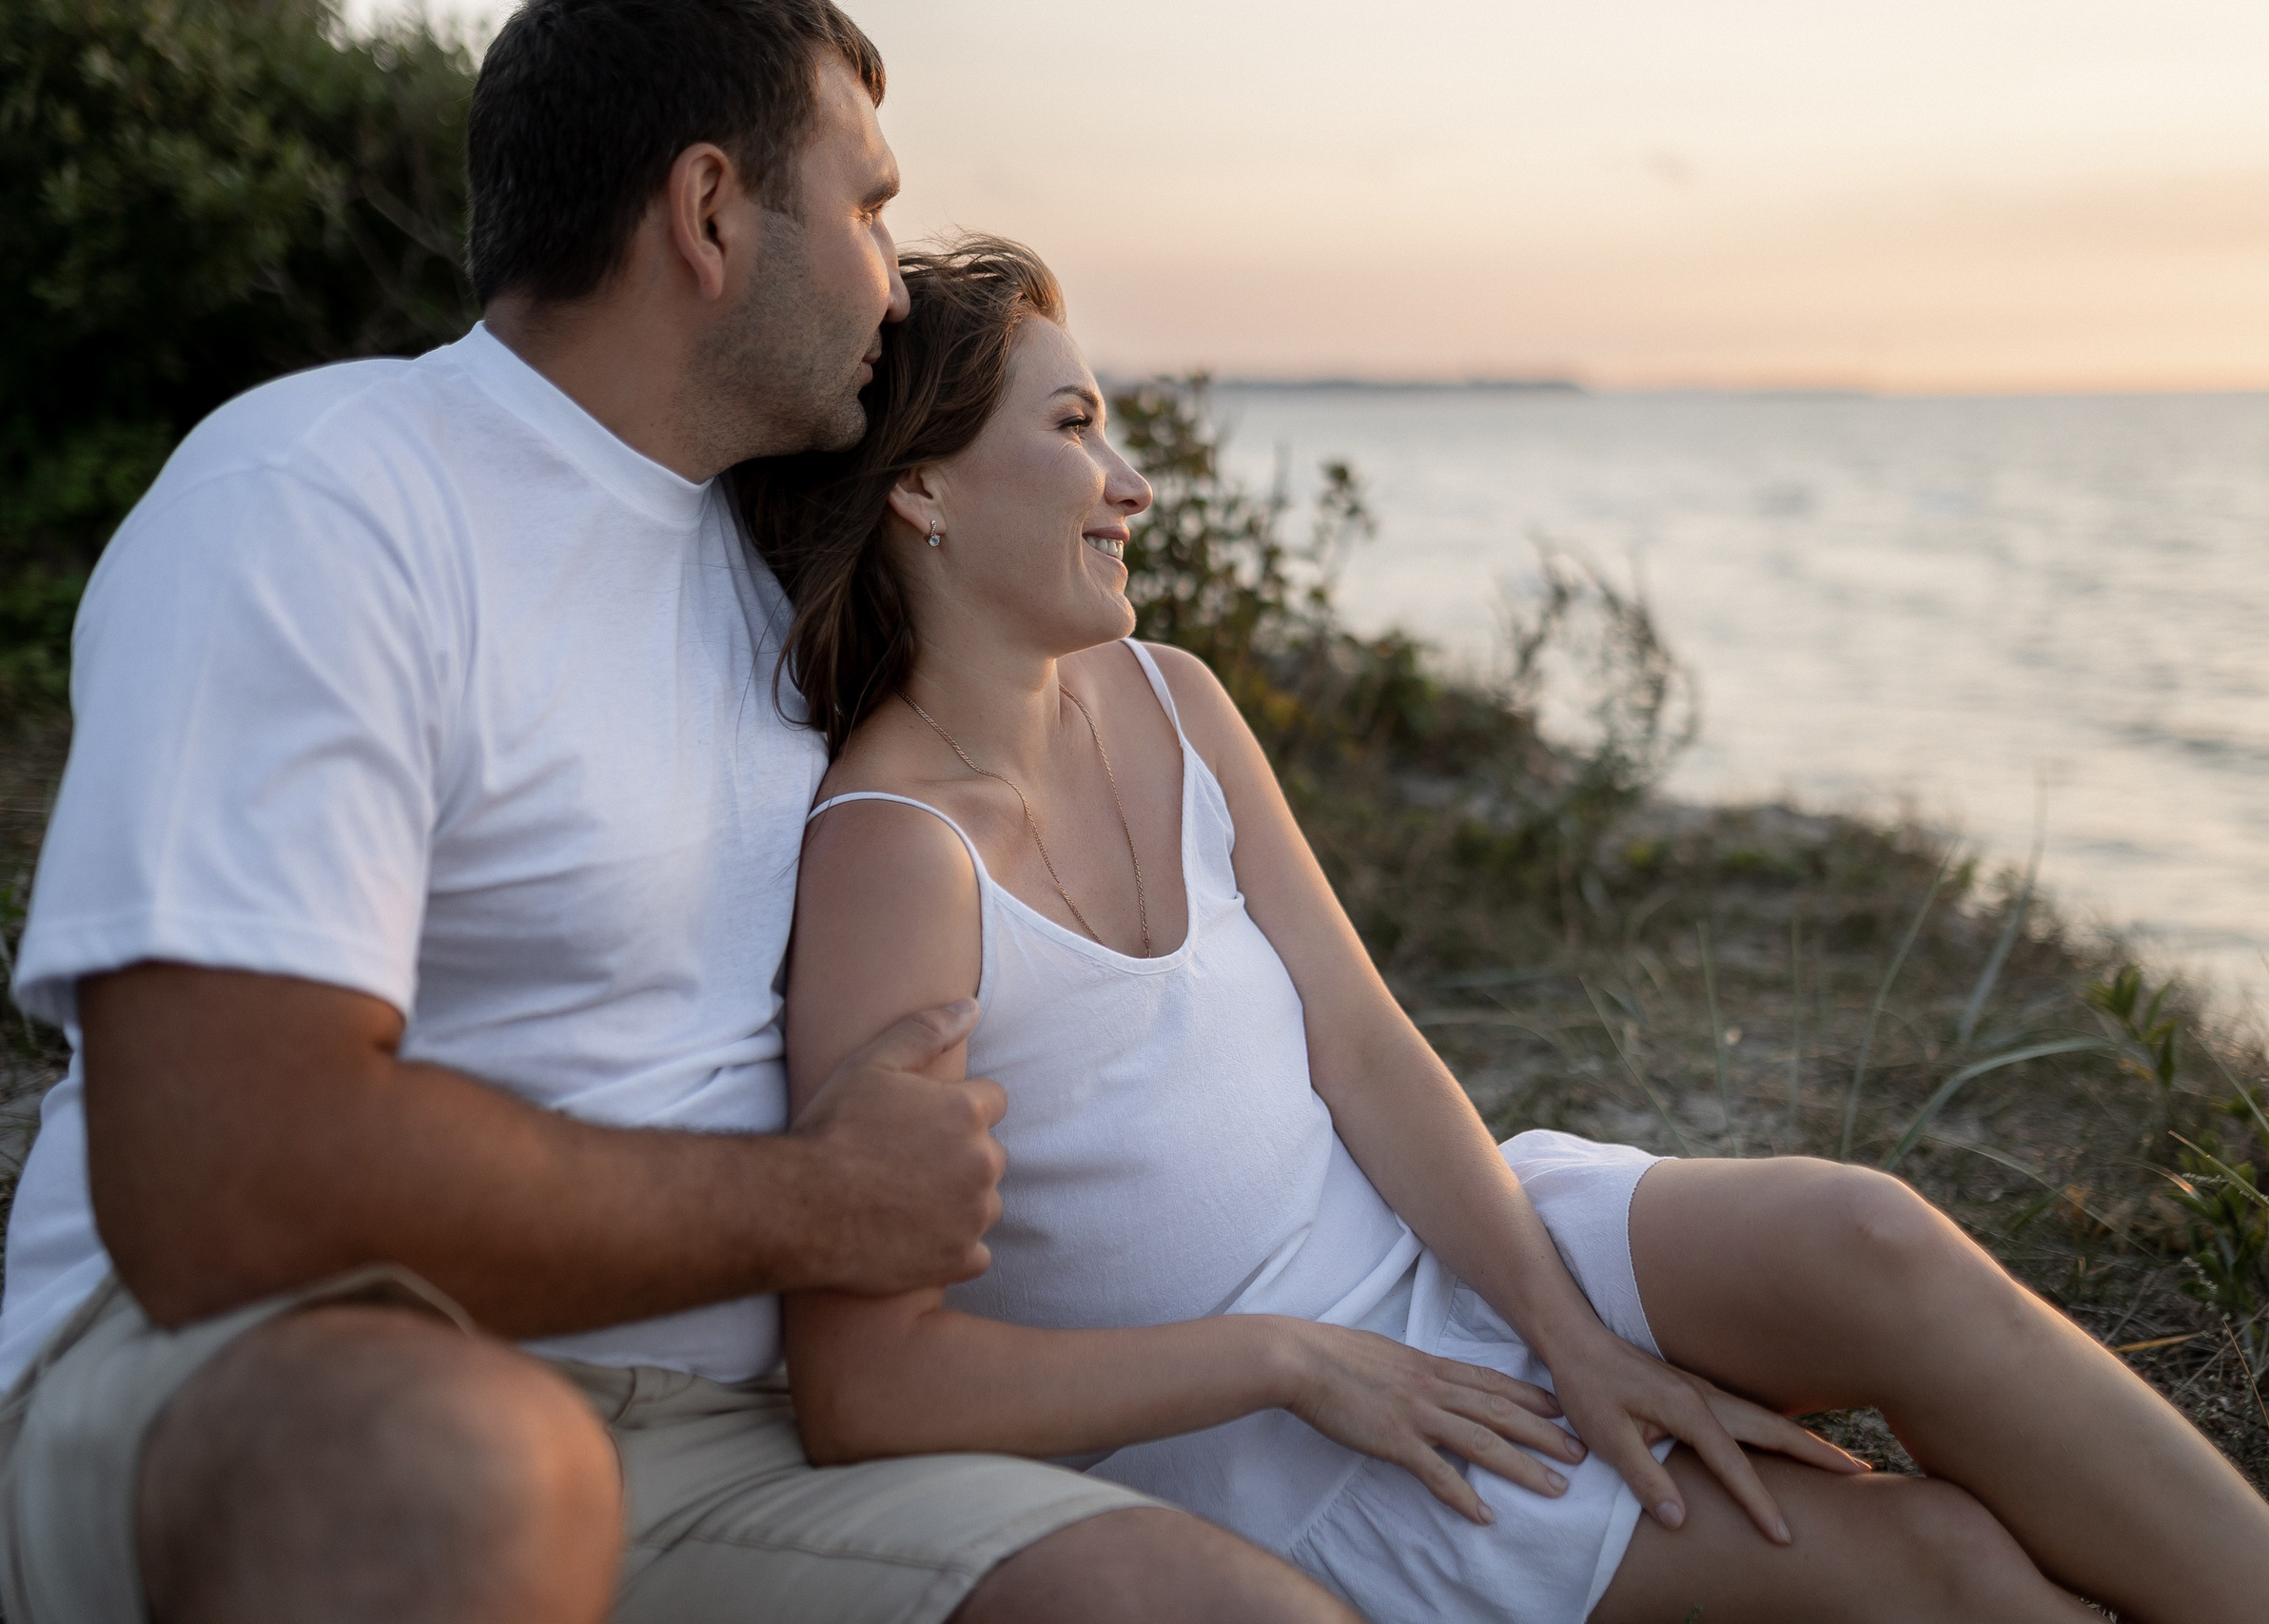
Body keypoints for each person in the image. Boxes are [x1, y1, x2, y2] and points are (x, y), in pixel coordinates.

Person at [734, 235, 2269, 1624]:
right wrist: (1294, 1363)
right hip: (1273, 1438)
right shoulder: (898, 858)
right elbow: (868, 1392)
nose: (1134, 485)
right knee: (1932, 1564)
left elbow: (1365, 1048)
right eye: (1079, 427)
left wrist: (1564, 1331)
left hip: (1445, 1247)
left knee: (1863, 1238)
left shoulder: (1168, 696)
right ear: (926, 490)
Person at [0, 6, 1362, 1623]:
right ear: (710, 214)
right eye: (865, 208)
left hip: (732, 1443)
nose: (889, 271)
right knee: (466, 1476)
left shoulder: (785, 585)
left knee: (1212, 1610)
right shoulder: (327, 498)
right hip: (257, 1378)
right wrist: (822, 1204)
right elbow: (218, 1179)